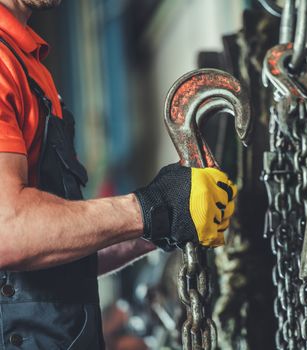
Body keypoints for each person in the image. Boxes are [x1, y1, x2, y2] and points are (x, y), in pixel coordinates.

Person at [0, 0, 236, 348]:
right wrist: (151, 206)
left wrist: (163, 221)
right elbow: (9, 229)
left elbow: (60, 251)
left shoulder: (28, 63)